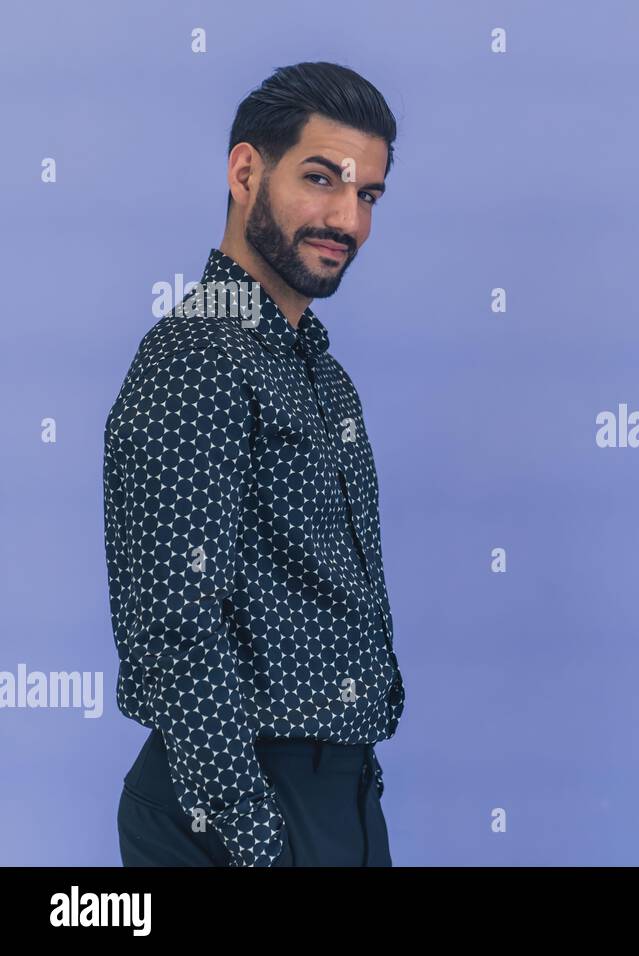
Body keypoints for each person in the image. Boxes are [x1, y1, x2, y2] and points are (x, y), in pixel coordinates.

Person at [103, 61, 402, 866]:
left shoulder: (323, 377)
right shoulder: (198, 356)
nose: (347, 217)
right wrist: (254, 835)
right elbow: (173, 622)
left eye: (368, 194)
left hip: (337, 795)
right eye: (321, 179)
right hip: (238, 802)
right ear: (245, 172)